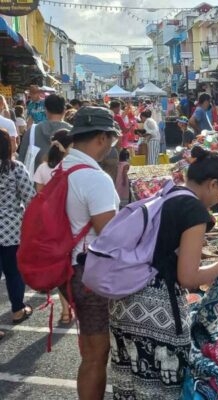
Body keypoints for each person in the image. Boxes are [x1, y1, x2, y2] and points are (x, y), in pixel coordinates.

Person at [109, 146, 218, 399]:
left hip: (124, 305)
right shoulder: (194, 211)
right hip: (156, 314)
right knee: (162, 389)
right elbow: (188, 278)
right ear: (213, 184)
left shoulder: (167, 193)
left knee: (130, 389)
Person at [62, 107, 121, 400]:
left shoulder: (63, 167)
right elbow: (110, 235)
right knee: (97, 356)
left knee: (89, 351)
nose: (112, 146)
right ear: (101, 137)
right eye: (111, 139)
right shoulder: (94, 178)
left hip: (69, 268)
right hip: (90, 273)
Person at [31, 129, 74, 325]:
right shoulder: (71, 167)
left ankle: (65, 311)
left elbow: (40, 199)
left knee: (58, 266)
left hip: (51, 224)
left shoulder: (42, 169)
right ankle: (72, 306)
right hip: (72, 221)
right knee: (72, 265)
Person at [0, 128, 36, 340]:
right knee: (14, 272)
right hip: (12, 231)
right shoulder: (15, 168)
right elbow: (31, 198)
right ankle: (17, 310)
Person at [17, 94, 72, 172]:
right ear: (64, 110)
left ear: (45, 110)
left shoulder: (32, 130)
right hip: (65, 181)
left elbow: (22, 159)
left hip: (36, 180)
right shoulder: (73, 132)